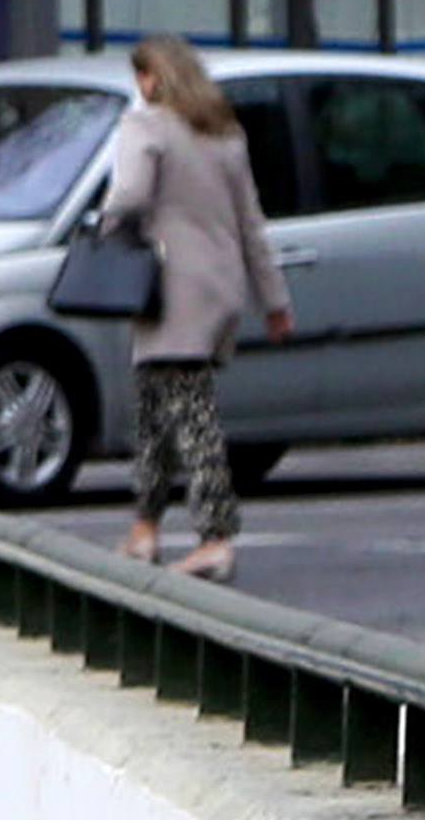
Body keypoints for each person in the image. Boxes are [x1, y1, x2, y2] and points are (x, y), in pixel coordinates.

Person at [90, 35, 295, 575]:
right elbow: (252, 223)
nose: (138, 86)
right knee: (157, 410)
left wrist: (106, 225)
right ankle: (144, 527)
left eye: (141, 76)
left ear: (154, 78)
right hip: (219, 284)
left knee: (188, 409)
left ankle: (215, 536)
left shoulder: (145, 127)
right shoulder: (223, 133)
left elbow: (130, 195)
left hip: (170, 286)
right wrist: (274, 300)